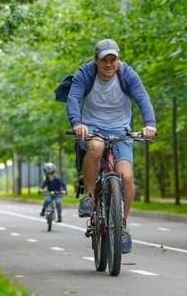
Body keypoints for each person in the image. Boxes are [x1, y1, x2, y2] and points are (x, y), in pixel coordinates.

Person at [67, 38, 157, 254]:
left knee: (126, 177)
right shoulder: (85, 74)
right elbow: (74, 97)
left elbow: (142, 97)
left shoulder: (127, 74)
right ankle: (89, 196)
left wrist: (150, 124)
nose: (109, 64)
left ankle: (122, 225)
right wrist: (77, 124)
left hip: (121, 131)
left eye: (113, 59)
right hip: (92, 128)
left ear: (118, 59)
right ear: (96, 60)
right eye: (104, 60)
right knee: (95, 148)